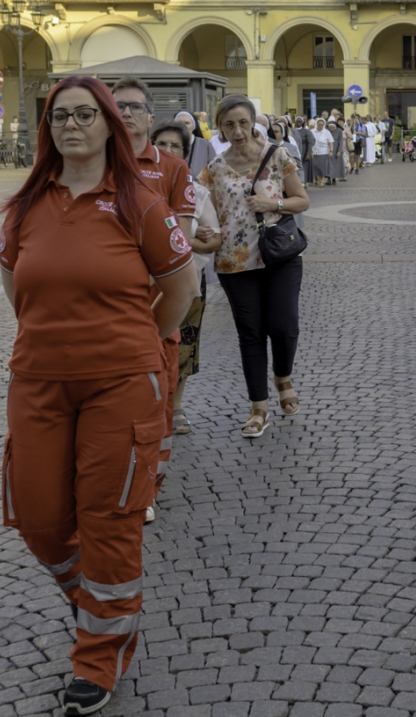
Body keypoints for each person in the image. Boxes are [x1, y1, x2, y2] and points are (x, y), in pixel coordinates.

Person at [0, 75, 198, 717]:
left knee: (109, 516)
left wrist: (136, 344)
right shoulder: (25, 207)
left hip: (121, 382)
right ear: (47, 129)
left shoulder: (139, 200)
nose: (72, 126)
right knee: (38, 516)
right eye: (60, 116)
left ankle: (100, 655)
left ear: (110, 126)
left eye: (86, 115)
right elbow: (16, 290)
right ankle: (100, 605)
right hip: (39, 379)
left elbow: (180, 290)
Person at [112, 78, 201, 520]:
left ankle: (146, 485)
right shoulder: (93, 163)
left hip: (153, 306)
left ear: (150, 117)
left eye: (134, 107)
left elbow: (181, 242)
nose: (125, 113)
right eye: (117, 106)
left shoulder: (171, 168)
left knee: (158, 401)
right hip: (106, 310)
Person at [199, 95, 310, 438]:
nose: (237, 131)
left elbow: (301, 199)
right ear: (220, 128)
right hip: (235, 262)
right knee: (250, 334)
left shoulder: (277, 156)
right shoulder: (214, 169)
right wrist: (203, 228)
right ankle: (258, 407)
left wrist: (271, 202)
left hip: (279, 254)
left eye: (243, 123)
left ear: (253, 122)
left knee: (284, 325)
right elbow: (204, 212)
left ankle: (283, 377)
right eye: (229, 125)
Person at [151, 121, 221, 446]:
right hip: (141, 282)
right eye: (161, 145)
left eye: (174, 146)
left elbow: (213, 240)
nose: (167, 151)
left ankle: (175, 404)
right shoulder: (132, 186)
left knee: (183, 344)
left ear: (185, 153)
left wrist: (189, 240)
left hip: (186, 280)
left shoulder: (196, 190)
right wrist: (187, 237)